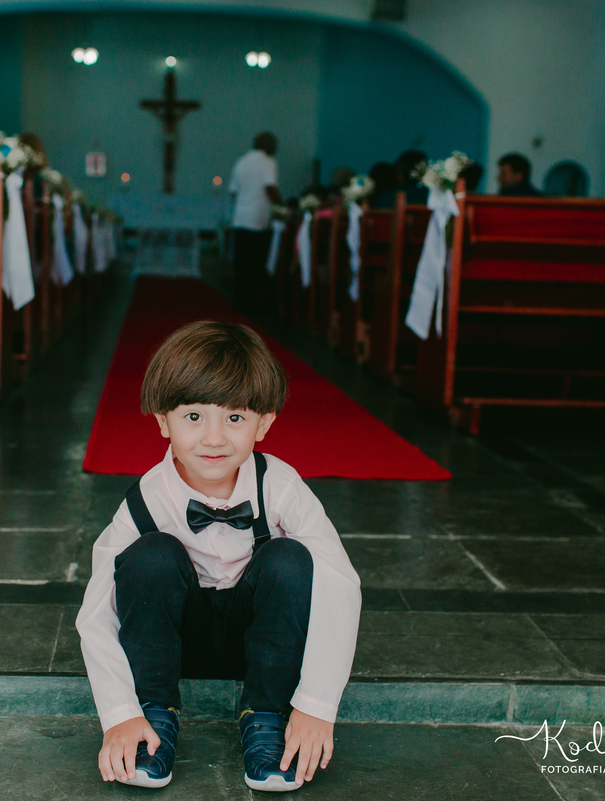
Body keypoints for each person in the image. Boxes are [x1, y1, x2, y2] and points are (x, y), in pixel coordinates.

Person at [77, 321, 361, 793]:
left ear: (264, 423)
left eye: (234, 418)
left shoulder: (282, 485)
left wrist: (315, 703)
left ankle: (267, 716)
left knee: (291, 559)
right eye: (193, 417)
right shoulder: (145, 500)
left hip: (264, 644)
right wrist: (118, 713)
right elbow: (96, 614)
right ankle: (154, 715)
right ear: (162, 420)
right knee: (150, 557)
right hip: (171, 643)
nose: (213, 438)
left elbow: (339, 583)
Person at [228, 133, 284, 313]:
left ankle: (239, 302)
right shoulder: (268, 162)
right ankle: (254, 304)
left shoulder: (241, 161)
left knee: (241, 263)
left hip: (240, 218)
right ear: (268, 146)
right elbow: (270, 187)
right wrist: (281, 206)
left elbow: (233, 192)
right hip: (258, 219)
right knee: (256, 263)